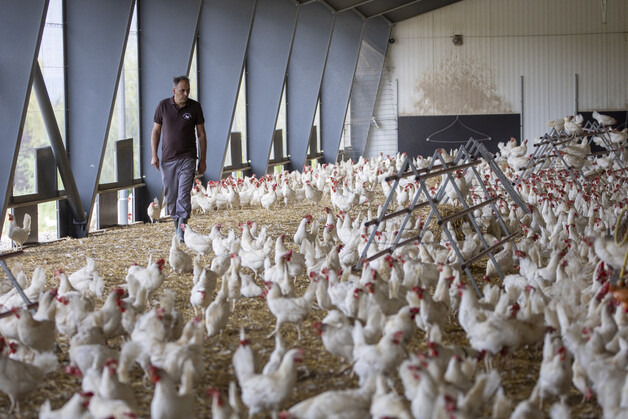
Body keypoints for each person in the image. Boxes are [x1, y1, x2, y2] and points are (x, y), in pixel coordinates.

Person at [151, 75, 206, 242]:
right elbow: (156, 131)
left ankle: (182, 231)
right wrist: (154, 155)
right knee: (171, 196)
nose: (186, 93)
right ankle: (177, 228)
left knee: (183, 195)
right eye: (182, 90)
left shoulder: (195, 107)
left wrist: (202, 159)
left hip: (188, 158)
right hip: (167, 159)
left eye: (188, 90)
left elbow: (201, 135)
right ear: (174, 90)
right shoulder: (163, 106)